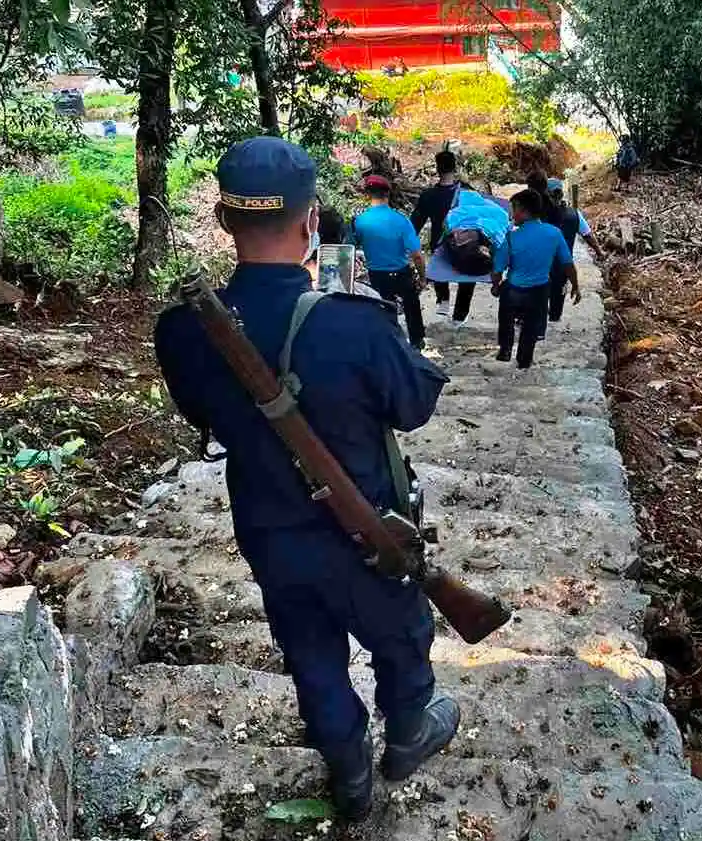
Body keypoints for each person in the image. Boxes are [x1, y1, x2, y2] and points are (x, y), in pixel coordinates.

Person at [154, 136, 459, 822]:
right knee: (401, 632)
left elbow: (202, 410)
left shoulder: (180, 330)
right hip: (364, 531)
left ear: (225, 222)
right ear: (310, 220)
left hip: (268, 528)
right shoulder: (358, 323)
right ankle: (409, 730)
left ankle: (349, 773)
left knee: (309, 648)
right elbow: (414, 406)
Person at [491, 188, 578, 370]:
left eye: (514, 209)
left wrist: (496, 285)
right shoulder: (554, 233)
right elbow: (567, 263)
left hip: (514, 289)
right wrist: (575, 285)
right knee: (530, 327)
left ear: (523, 211)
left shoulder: (511, 237)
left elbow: (498, 268)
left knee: (505, 316)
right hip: (539, 290)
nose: (512, 213)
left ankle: (505, 349)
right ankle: (524, 360)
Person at [352, 174, 429, 349]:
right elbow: (416, 254)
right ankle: (417, 341)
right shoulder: (401, 220)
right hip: (401, 272)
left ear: (367, 195)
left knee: (384, 309)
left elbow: (355, 244)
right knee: (412, 304)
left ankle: (390, 342)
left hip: (376, 275)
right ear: (388, 194)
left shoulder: (360, 221)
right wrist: (423, 278)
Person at [537, 176, 604, 339]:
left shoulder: (538, 213)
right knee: (557, 296)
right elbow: (587, 235)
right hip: (562, 265)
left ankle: (538, 327)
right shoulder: (574, 214)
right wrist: (599, 251)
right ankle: (552, 322)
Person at [411, 149, 474, 320]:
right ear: (455, 168)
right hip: (465, 243)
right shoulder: (467, 194)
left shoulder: (428, 196)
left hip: (439, 243)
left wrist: (408, 243)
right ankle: (460, 315)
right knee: (467, 276)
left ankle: (443, 300)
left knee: (439, 269)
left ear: (437, 169)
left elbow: (415, 224)